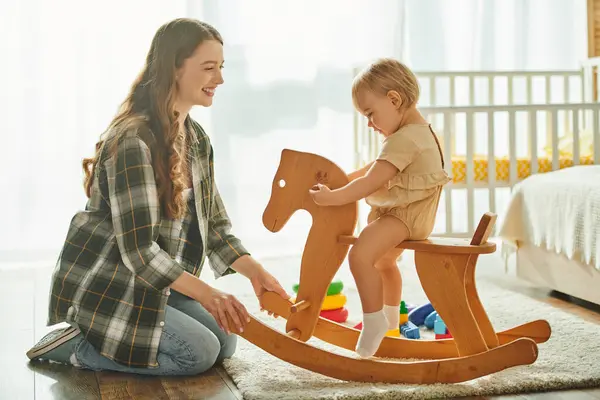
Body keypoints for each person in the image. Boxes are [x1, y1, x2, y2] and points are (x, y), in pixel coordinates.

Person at [26, 18, 289, 375]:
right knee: (196, 354)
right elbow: (139, 251)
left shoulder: (196, 139)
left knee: (225, 343)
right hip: (114, 286)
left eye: (221, 68)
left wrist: (254, 271)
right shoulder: (133, 141)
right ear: (174, 69)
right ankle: (76, 345)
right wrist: (208, 294)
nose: (220, 79)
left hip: (158, 284)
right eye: (209, 68)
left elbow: (214, 226)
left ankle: (121, 335)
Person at [309, 58, 450, 358]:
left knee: (360, 255)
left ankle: (373, 320)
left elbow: (372, 181)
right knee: (385, 263)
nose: (370, 124)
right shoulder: (419, 132)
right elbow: (372, 169)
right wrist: (340, 183)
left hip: (404, 216)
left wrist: (334, 198)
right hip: (413, 214)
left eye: (371, 114)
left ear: (394, 99)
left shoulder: (405, 138)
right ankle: (389, 321)